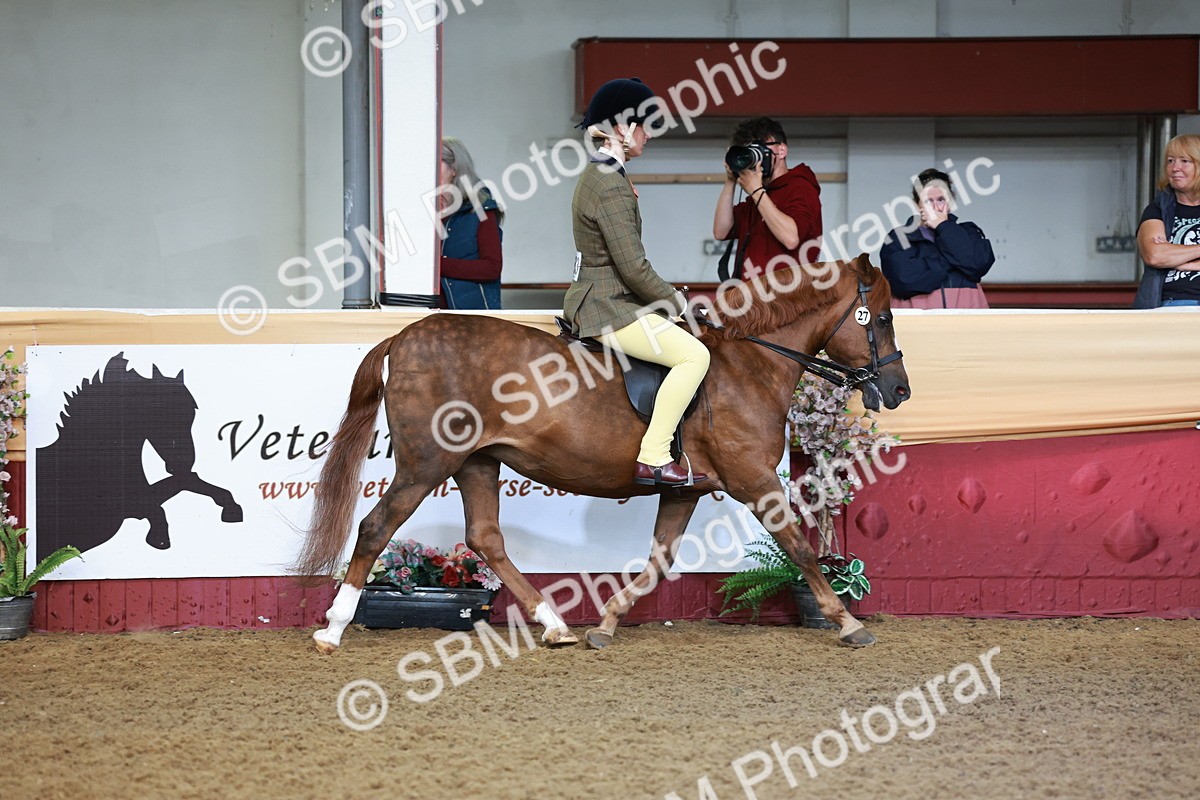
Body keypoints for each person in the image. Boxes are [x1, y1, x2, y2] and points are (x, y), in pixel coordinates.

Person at [562, 77, 710, 488]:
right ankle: (655, 456)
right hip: (605, 305)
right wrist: (677, 302)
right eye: (644, 126)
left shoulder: (604, 175)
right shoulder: (609, 184)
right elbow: (632, 267)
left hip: (606, 297)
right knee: (694, 356)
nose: (649, 134)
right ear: (623, 127)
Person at [712, 117, 823, 281]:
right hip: (751, 294)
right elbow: (721, 231)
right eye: (749, 150)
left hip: (788, 294)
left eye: (759, 148)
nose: (755, 157)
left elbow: (791, 238)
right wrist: (730, 181)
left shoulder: (800, 187)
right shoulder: (759, 196)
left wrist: (756, 191)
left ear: (782, 150)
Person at [880, 168, 995, 309]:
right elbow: (904, 281)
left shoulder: (969, 232)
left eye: (941, 200)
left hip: (967, 320)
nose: (935, 208)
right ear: (917, 204)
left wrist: (943, 226)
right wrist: (953, 259)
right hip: (917, 322)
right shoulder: (899, 237)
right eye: (928, 201)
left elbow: (978, 264)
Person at [1134, 134, 1200, 308]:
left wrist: (1181, 259)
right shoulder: (1158, 209)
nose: (1175, 168)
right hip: (1172, 302)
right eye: (1170, 161)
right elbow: (1155, 255)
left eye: (1185, 161)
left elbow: (1165, 254)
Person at [439, 137, 504, 310]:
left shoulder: (481, 209)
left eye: (436, 163)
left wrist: (438, 266)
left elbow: (491, 268)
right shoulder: (423, 210)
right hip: (430, 314)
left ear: (454, 169)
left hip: (469, 317)